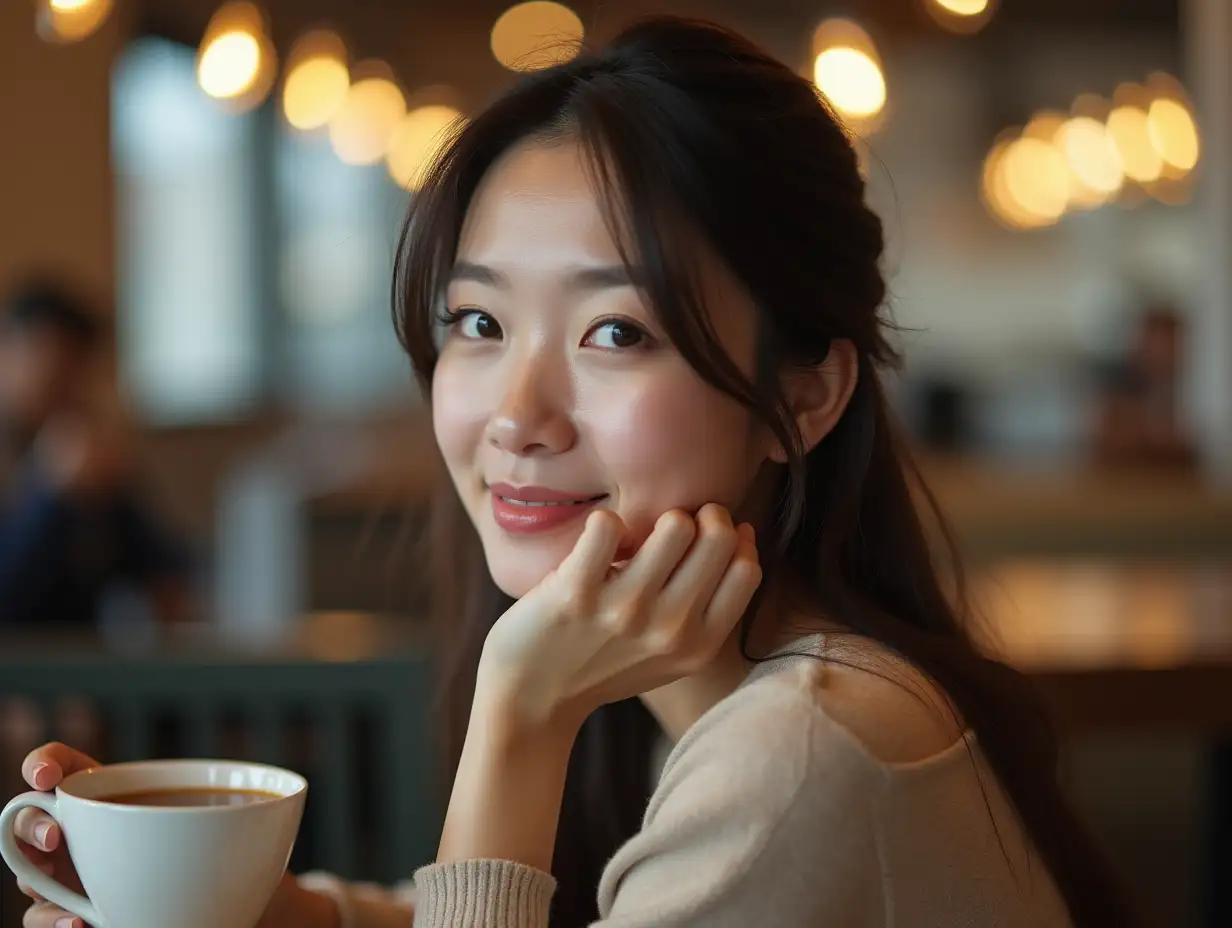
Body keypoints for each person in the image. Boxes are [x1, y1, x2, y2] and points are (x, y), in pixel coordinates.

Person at [12, 17, 1137, 928]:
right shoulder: (743, 703)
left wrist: (520, 709)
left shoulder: (801, 753)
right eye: (477, 319)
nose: (515, 415)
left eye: (614, 333)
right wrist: (247, 912)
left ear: (803, 395)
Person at [0, 278, 194, 627]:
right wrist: (51, 496)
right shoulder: (46, 471)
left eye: (74, 373)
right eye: (51, 370)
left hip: (79, 670)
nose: (64, 389)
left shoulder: (90, 459)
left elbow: (168, 569)